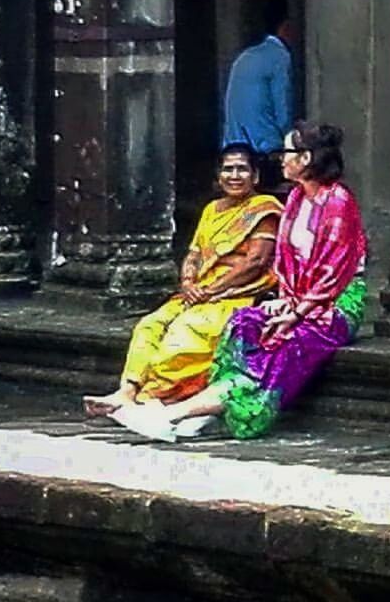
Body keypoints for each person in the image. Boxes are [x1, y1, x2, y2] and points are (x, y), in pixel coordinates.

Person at [128, 122, 367, 441]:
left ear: (306, 158)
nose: (281, 160)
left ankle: (177, 413)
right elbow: (287, 260)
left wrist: (296, 314)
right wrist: (286, 302)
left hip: (334, 304)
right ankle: (204, 411)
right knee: (243, 324)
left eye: (286, 153)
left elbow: (333, 272)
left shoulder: (337, 202)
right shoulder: (295, 198)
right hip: (297, 299)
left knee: (282, 345)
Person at [82, 144, 282, 417]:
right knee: (149, 325)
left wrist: (210, 290)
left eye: (242, 169)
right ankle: (127, 391)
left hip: (236, 295)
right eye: (228, 169)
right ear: (218, 176)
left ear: (255, 176)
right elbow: (194, 252)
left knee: (185, 332)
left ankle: (148, 398)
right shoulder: (212, 209)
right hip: (198, 292)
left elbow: (256, 262)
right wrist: (188, 283)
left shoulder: (263, 209)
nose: (234, 175)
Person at [222, 0, 295, 190]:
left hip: (233, 146)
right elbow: (283, 111)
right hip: (264, 152)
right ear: (287, 27)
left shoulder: (244, 57)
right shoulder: (280, 56)